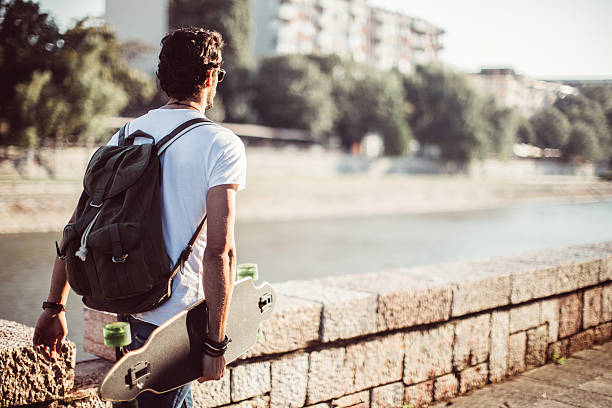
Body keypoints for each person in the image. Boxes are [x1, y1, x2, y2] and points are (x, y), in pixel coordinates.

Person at [32, 27, 246, 408]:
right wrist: (215, 343)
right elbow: (221, 252)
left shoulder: (126, 134)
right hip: (174, 325)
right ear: (211, 78)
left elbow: (76, 229)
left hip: (123, 309)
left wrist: (54, 308)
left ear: (162, 80)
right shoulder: (221, 144)